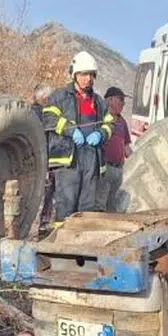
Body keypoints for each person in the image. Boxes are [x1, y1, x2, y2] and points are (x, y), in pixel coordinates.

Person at [41, 51, 114, 223]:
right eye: (84, 74)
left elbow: (110, 123)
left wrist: (101, 133)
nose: (88, 79)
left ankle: (80, 243)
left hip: (92, 160)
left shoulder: (99, 102)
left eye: (91, 75)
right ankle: (60, 242)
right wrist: (70, 130)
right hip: (69, 160)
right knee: (66, 205)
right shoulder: (59, 97)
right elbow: (49, 118)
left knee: (87, 208)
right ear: (74, 74)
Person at [100, 86, 132, 210]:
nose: (123, 103)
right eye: (121, 100)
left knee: (113, 205)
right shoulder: (100, 117)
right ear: (110, 99)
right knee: (100, 203)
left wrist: (139, 160)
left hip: (118, 171)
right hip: (104, 169)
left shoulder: (122, 122)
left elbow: (126, 147)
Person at [31, 83, 55, 233]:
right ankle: (36, 226)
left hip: (45, 160)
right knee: (40, 194)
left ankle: (43, 224)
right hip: (39, 161)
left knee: (47, 193)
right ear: (43, 98)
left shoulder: (42, 113)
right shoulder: (36, 113)